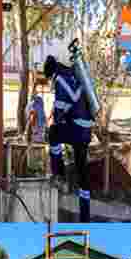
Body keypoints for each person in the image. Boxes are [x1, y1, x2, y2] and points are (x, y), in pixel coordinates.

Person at [43, 55, 95, 222]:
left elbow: (60, 108)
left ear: (51, 73)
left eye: (48, 78)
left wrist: (54, 120)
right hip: (85, 130)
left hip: (77, 128)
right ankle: (85, 216)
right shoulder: (72, 75)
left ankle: (59, 174)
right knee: (82, 172)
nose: (50, 82)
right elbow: (73, 102)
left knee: (53, 133)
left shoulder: (60, 80)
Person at [26, 80, 46, 145]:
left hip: (38, 124)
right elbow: (32, 116)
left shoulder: (38, 101)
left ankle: (38, 138)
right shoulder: (33, 104)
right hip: (37, 126)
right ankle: (37, 138)